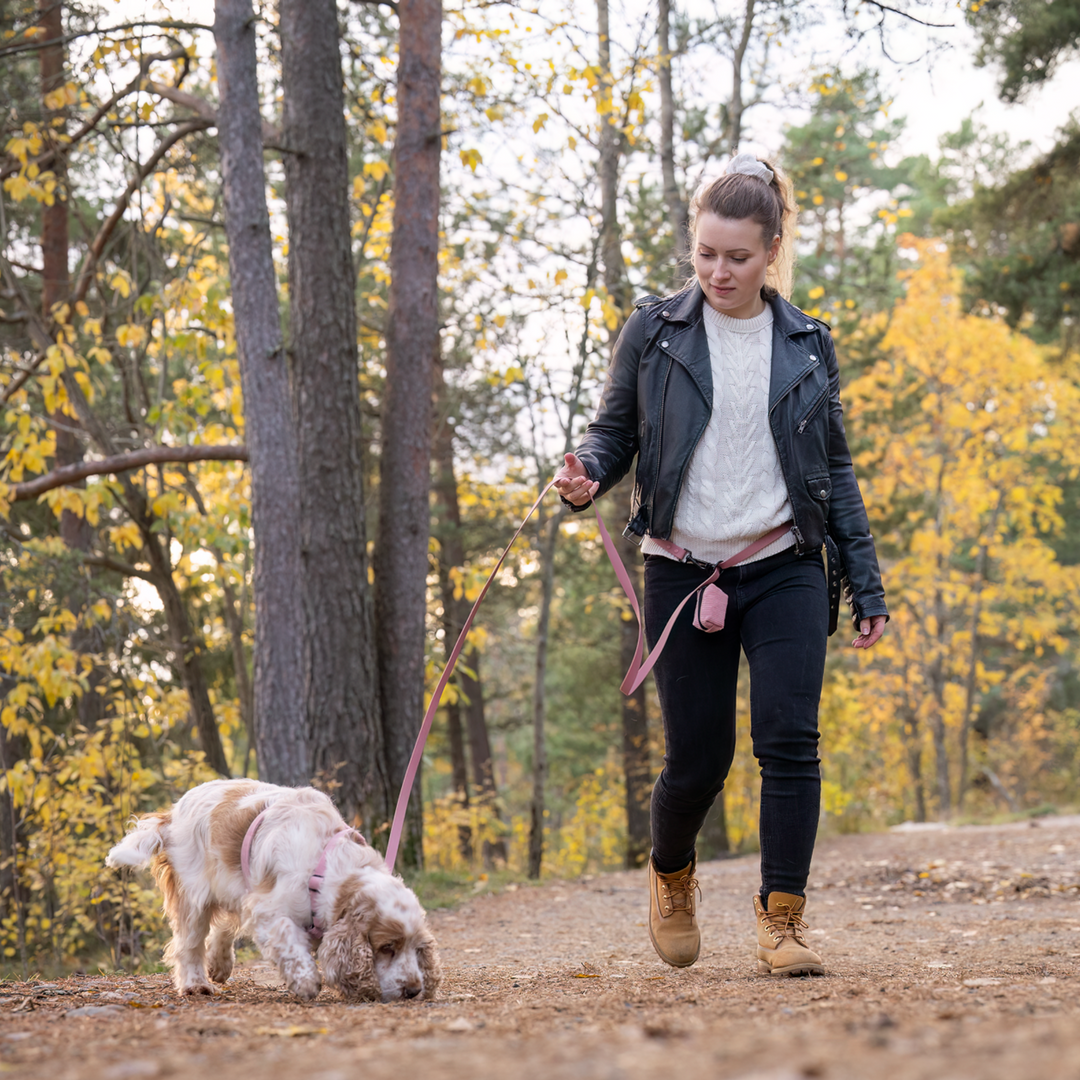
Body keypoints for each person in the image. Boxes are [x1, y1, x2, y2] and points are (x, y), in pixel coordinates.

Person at [553, 153, 887, 976]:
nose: (718, 271)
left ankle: (784, 921)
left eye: (737, 256)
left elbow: (834, 469)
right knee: (697, 761)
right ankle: (672, 877)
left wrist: (866, 580)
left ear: (772, 249)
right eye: (705, 253)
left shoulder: (807, 344)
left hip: (785, 562)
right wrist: (587, 474)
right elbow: (614, 431)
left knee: (790, 738)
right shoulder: (657, 331)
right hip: (682, 568)